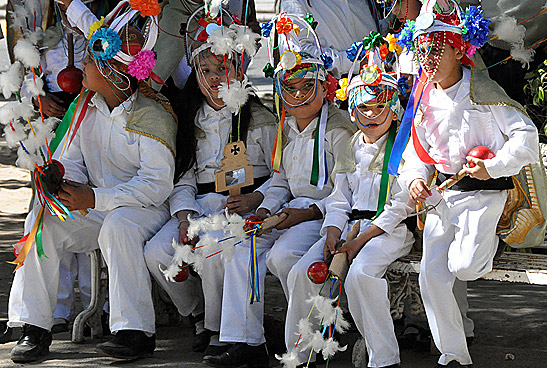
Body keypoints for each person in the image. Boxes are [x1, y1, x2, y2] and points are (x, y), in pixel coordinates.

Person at [8, 1, 177, 362]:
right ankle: (33, 327)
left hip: (144, 213)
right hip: (98, 204)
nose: (81, 65)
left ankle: (134, 332)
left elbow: (156, 187)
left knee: (119, 225)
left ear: (113, 71)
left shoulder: (154, 114)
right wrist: (61, 178)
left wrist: (94, 198)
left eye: (89, 61)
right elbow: (74, 159)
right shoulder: (88, 105)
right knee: (44, 218)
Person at [397, 5, 539, 367]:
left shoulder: (484, 92)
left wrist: (492, 166)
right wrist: (415, 179)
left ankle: (492, 240)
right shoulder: (424, 98)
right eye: (422, 50)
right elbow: (416, 151)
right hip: (443, 197)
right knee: (432, 275)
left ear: (459, 49)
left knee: (464, 268)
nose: (427, 59)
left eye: (436, 49)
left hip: (486, 195)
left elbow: (525, 137)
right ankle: (454, 354)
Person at [143, 6, 277, 360]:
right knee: (157, 251)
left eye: (223, 67)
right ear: (196, 74)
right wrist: (185, 215)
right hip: (202, 206)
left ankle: (222, 331)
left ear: (237, 68)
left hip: (242, 206)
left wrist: (257, 198)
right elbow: (184, 176)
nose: (215, 77)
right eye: (206, 70)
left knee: (218, 248)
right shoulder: (191, 117)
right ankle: (200, 315)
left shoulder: (261, 118)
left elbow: (282, 173)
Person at [279, 57, 415, 366]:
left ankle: (383, 357)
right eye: (362, 108)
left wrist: (358, 241)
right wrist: (332, 234)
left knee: (360, 275)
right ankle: (299, 354)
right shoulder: (350, 146)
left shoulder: (401, 147)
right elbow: (339, 199)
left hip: (388, 230)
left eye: (379, 107)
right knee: (302, 271)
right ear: (351, 111)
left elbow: (401, 205)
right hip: (350, 228)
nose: (371, 115)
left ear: (393, 109)